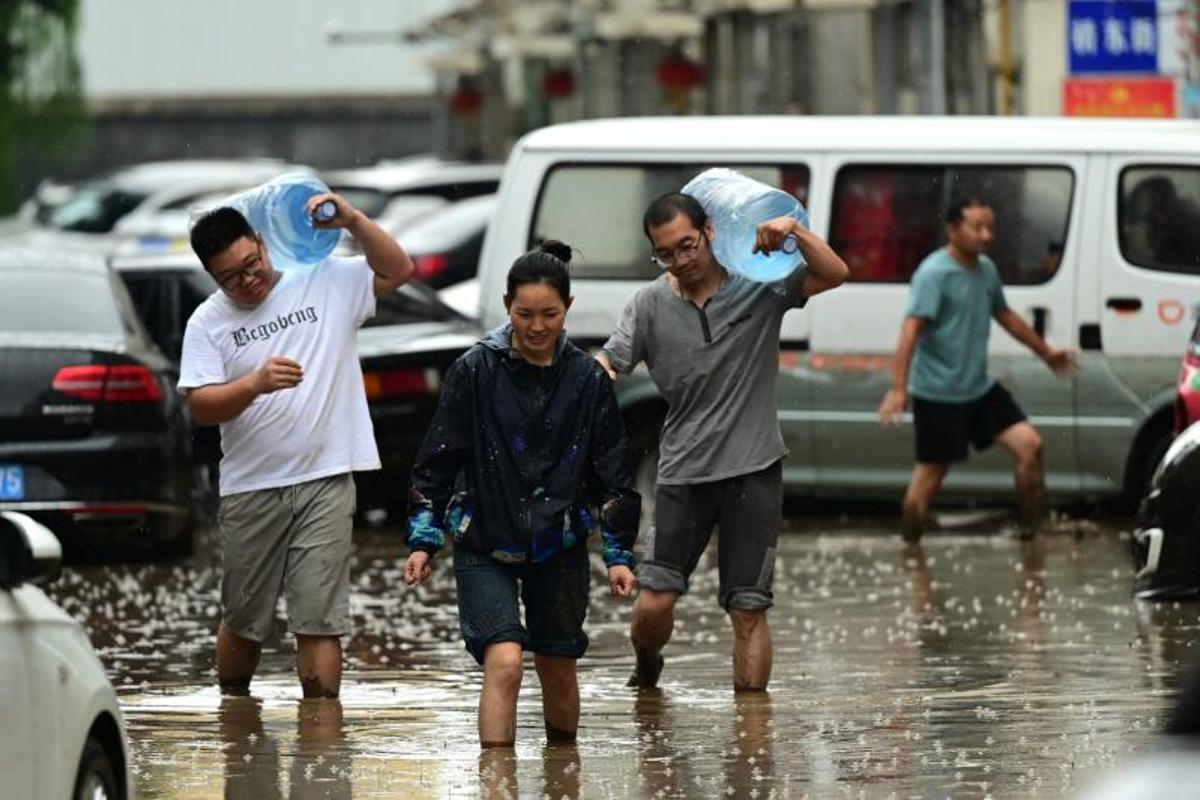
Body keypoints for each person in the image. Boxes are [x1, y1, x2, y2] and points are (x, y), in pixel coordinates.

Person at [597, 192, 850, 692]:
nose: (681, 261)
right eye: (666, 253)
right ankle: (648, 664)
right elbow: (612, 363)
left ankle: (751, 737)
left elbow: (836, 272)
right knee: (654, 604)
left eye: (688, 246)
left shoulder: (761, 286)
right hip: (683, 474)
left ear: (710, 231)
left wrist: (795, 233)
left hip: (754, 469)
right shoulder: (649, 305)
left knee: (748, 609)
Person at [403, 241, 640, 747]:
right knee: (505, 661)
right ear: (507, 305)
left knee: (558, 669)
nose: (536, 327)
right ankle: (496, 780)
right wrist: (423, 539)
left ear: (568, 309)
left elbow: (614, 475)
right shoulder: (474, 370)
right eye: (524, 314)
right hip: (483, 537)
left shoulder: (587, 380)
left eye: (549, 314)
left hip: (560, 542)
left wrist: (618, 555)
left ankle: (563, 774)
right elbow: (436, 462)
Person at [179, 195, 413, 698]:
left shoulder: (324, 278)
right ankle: (234, 714)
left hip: (326, 477)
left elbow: (399, 268)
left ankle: (323, 746)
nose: (249, 280)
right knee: (244, 620)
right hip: (251, 487)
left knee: (319, 620)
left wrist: (351, 220)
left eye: (252, 263)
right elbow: (200, 405)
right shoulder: (207, 323)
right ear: (211, 277)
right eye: (231, 277)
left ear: (262, 243)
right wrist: (253, 384)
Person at [877, 196, 1075, 543]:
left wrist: (1046, 353)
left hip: (978, 389)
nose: (986, 236)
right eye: (977, 227)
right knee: (924, 487)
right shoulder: (934, 274)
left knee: (1030, 446)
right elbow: (910, 330)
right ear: (952, 230)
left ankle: (1033, 535)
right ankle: (910, 551)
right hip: (938, 396)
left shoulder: (985, 269)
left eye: (990, 228)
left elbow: (1006, 315)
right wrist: (898, 389)